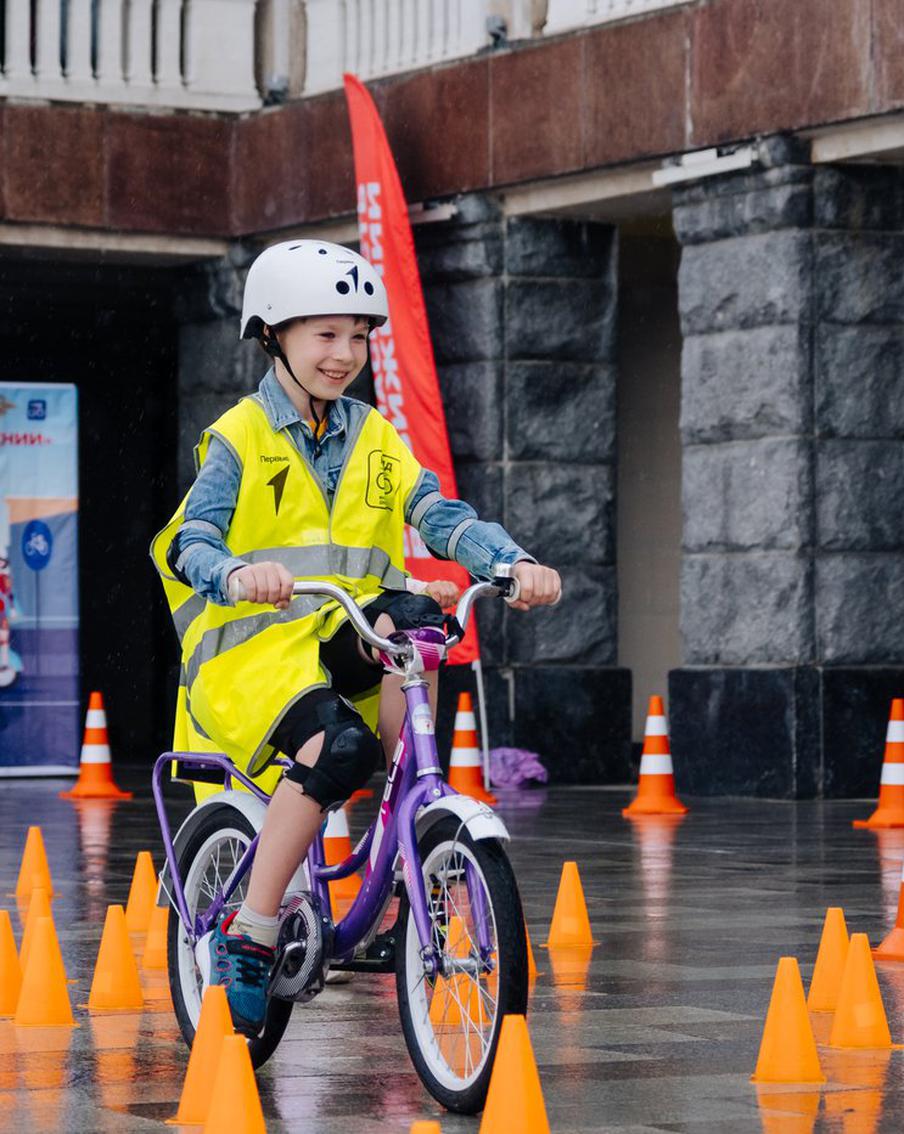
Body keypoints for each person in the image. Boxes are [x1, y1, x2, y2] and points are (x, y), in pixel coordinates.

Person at [151, 240, 561, 1036]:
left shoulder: (373, 436)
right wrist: (233, 573)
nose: (347, 355)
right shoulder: (240, 436)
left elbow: (438, 515)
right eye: (325, 335)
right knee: (339, 749)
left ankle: (405, 836)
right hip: (252, 657)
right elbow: (186, 539)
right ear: (273, 337)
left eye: (359, 336)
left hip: (335, 632)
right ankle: (252, 932)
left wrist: (510, 563)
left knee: (422, 621)